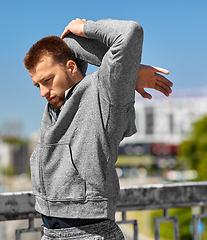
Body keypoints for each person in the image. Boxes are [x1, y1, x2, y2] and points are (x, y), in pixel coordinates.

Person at [24, 18, 172, 240]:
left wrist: (84, 29)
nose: (43, 92)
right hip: (49, 232)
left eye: (47, 80)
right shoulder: (56, 105)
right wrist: (131, 70)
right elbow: (66, 52)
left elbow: (130, 33)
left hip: (90, 234)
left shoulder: (105, 93)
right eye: (38, 85)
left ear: (71, 67)